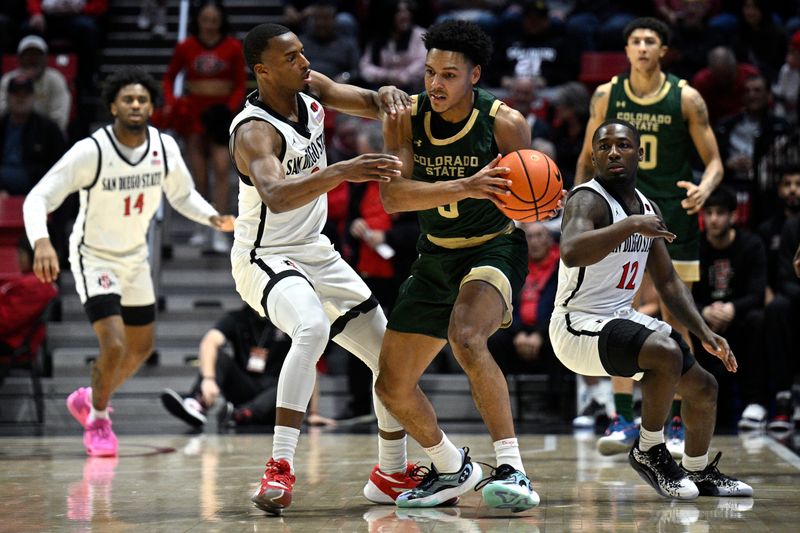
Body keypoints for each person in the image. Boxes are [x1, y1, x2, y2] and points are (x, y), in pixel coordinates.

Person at [228, 23, 416, 515]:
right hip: (264, 255)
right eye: (291, 58)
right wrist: (341, 171)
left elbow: (367, 101)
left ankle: (391, 472)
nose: (304, 62)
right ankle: (279, 467)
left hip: (315, 249)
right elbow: (275, 193)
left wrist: (389, 96)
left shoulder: (310, 91)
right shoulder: (254, 131)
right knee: (310, 327)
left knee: (389, 357)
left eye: (303, 53)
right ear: (263, 69)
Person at [374, 20, 553, 512]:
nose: (435, 84)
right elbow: (393, 197)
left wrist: (539, 203)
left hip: (493, 247)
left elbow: (526, 197)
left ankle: (513, 466)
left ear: (474, 76)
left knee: (468, 337)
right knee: (390, 385)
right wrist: (464, 186)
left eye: (449, 75)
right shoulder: (406, 118)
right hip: (435, 252)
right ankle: (452, 467)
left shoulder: (506, 122)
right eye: (430, 72)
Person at [22, 67, 235, 457]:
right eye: (127, 99)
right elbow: (38, 198)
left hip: (135, 258)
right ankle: (99, 420)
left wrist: (212, 217)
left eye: (142, 99)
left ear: (152, 106)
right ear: (112, 106)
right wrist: (41, 242)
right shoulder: (92, 150)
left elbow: (182, 194)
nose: (135, 105)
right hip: (94, 258)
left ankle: (90, 395)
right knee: (115, 345)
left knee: (141, 346)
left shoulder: (164, 147)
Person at [551, 118, 751, 500]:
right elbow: (572, 251)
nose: (613, 152)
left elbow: (669, 282)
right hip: (575, 325)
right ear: (593, 155)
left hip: (619, 318)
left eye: (623, 145)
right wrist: (631, 226)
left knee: (704, 387)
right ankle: (648, 449)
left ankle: (697, 470)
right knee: (663, 352)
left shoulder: (646, 206)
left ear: (639, 154)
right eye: (605, 146)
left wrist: (704, 332)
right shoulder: (586, 199)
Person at [575, 17, 724, 459]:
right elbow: (586, 157)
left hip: (673, 215)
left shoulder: (686, 97)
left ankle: (675, 423)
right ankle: (624, 419)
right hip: (622, 213)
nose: (642, 48)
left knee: (678, 318)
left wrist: (705, 188)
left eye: (650, 41)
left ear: (663, 50)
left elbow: (714, 161)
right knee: (624, 313)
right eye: (635, 41)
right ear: (626, 50)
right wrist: (578, 205)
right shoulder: (607, 95)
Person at [162, 0, 245, 254]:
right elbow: (169, 77)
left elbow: (240, 83)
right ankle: (202, 226)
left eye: (214, 20)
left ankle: (220, 228)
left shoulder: (232, 47)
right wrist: (174, 102)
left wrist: (229, 108)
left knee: (221, 170)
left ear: (221, 21)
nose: (209, 25)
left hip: (220, 115)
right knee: (198, 175)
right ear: (198, 21)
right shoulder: (186, 46)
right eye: (205, 20)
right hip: (194, 115)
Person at [692, 186, 767, 428]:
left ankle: (755, 402)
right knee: (684, 323)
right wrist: (704, 311)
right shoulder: (696, 247)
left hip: (740, 318)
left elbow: (757, 293)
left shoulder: (751, 244)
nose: (714, 219)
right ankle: (693, 404)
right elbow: (683, 292)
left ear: (733, 216)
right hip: (705, 320)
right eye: (709, 213)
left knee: (758, 318)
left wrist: (732, 308)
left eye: (720, 213)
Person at [161, 305, 291, 427]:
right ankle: (199, 402)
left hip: (276, 395)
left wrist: (312, 413)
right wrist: (209, 379)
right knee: (219, 356)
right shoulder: (238, 318)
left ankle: (241, 414)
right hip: (245, 386)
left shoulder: (287, 321)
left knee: (290, 384)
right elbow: (210, 341)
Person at [0, 74, 67, 197]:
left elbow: (61, 169)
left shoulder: (49, 129)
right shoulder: (2, 124)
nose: (21, 98)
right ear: (8, 97)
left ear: (33, 97)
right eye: (16, 94)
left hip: (36, 190)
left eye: (25, 94)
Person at [0, 237, 58, 372]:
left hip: (11, 341)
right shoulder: (31, 281)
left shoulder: (36, 285)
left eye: (21, 253)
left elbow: (7, 320)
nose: (18, 259)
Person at [0, 35, 72, 134]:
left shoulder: (56, 79)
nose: (32, 59)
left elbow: (60, 120)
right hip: (13, 135)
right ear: (19, 59)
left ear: (46, 58)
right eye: (28, 55)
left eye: (37, 55)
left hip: (48, 139)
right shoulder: (8, 80)